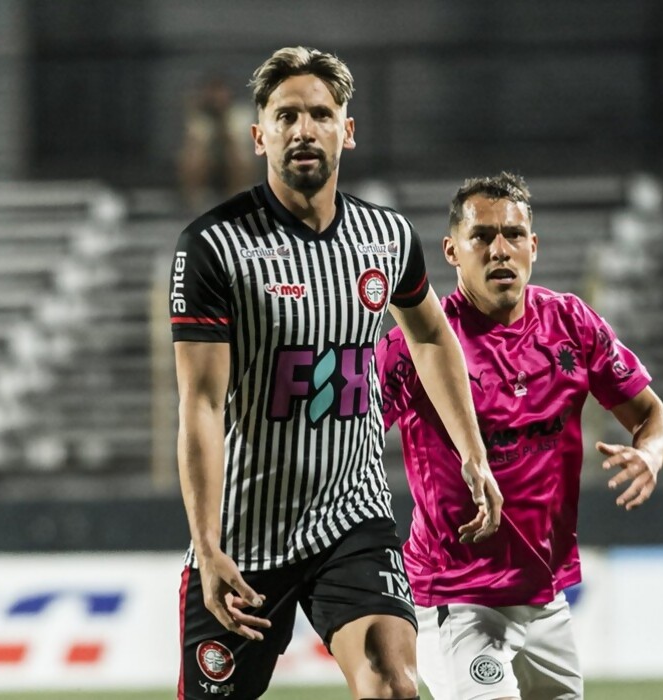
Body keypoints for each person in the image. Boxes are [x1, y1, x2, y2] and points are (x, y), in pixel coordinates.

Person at [169, 47, 502, 700]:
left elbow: (431, 333)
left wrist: (473, 453)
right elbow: (200, 405)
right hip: (243, 536)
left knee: (394, 682)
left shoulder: (387, 237)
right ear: (259, 135)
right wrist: (207, 546)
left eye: (321, 114)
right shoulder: (214, 247)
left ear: (346, 131)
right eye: (286, 115)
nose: (304, 129)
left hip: (352, 519)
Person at [377, 172, 663, 700]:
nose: (500, 250)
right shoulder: (419, 345)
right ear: (451, 251)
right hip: (457, 597)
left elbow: (653, 415)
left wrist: (650, 455)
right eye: (482, 236)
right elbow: (345, 437)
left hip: (545, 597)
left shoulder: (571, 323)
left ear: (533, 245)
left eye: (513, 235)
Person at [177, 74, 257, 215]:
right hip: (208, 160)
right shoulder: (199, 116)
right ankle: (194, 202)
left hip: (232, 159)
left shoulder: (240, 113)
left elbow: (240, 141)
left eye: (220, 92)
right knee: (192, 156)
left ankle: (238, 200)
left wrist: (223, 120)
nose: (216, 97)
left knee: (239, 156)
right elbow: (196, 141)